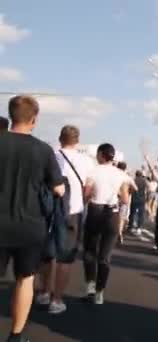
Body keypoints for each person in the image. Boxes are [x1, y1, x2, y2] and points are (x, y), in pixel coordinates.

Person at [0, 95, 65, 342]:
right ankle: (16, 336)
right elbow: (58, 189)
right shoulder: (44, 150)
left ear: (11, 115)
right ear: (34, 120)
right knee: (24, 279)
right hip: (29, 226)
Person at [36, 125, 94, 315]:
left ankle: (44, 292)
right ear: (77, 141)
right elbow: (88, 189)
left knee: (47, 252)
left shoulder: (49, 155)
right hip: (72, 211)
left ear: (60, 138)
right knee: (65, 258)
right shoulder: (86, 161)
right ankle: (57, 300)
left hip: (47, 210)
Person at [82, 144, 129, 305]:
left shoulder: (93, 171)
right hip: (112, 214)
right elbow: (125, 199)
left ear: (101, 155)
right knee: (105, 256)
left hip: (95, 211)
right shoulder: (120, 174)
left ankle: (90, 287)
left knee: (89, 251)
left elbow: (86, 194)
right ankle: (100, 294)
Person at [115, 162, 136, 244]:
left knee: (113, 216)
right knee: (122, 217)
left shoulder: (115, 175)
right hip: (124, 198)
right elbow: (135, 188)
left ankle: (113, 232)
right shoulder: (128, 177)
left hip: (115, 197)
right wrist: (129, 192)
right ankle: (119, 232)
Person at [128, 170, 148, 236]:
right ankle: (139, 227)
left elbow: (130, 189)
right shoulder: (144, 181)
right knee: (141, 214)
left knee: (132, 213)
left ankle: (130, 226)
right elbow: (148, 189)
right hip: (142, 199)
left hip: (134, 198)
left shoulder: (133, 180)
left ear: (136, 174)